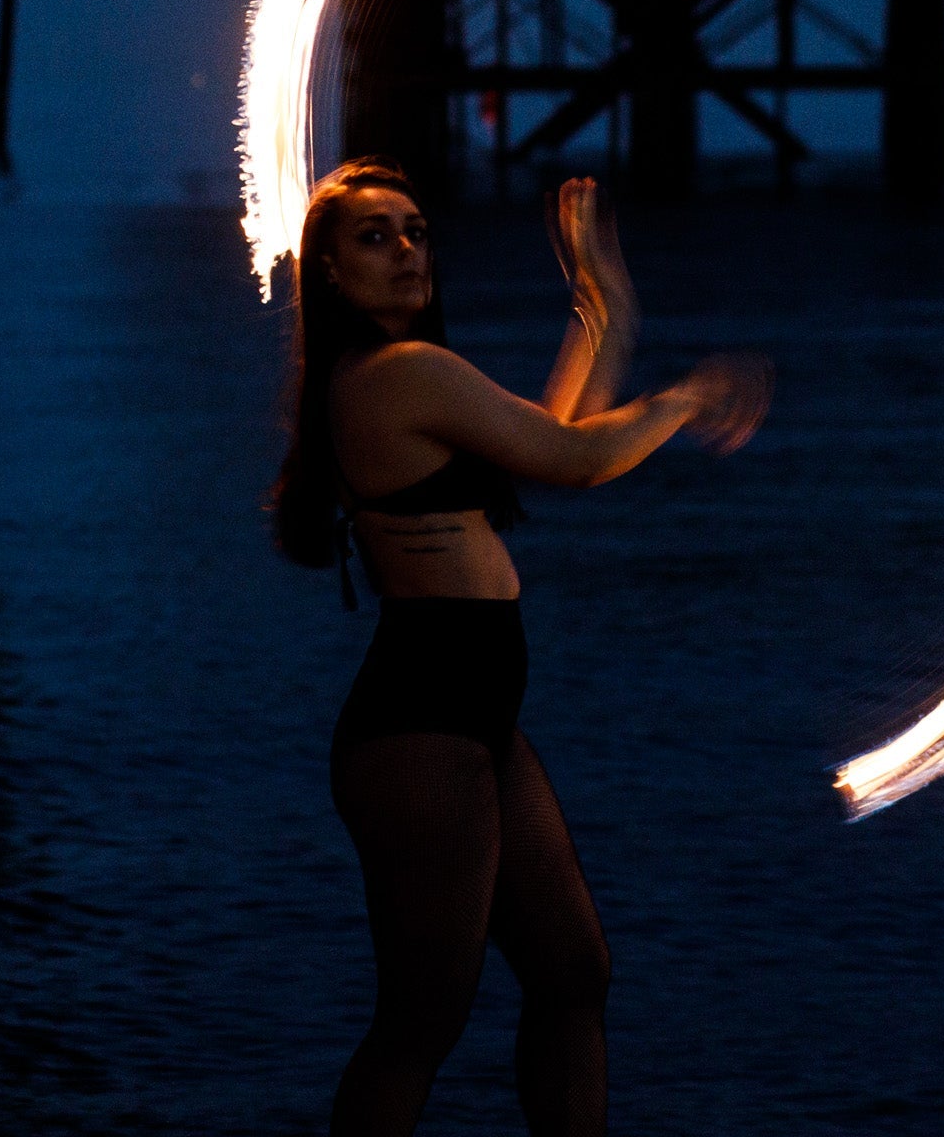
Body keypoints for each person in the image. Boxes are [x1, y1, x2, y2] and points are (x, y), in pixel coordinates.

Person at [270, 156, 770, 1137]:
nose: (407, 249)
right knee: (422, 1015)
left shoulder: (404, 374)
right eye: (374, 236)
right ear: (327, 271)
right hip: (420, 722)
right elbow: (579, 459)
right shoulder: (393, 373)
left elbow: (552, 432)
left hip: (475, 717)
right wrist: (685, 398)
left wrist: (598, 299)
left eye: (416, 229)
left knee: (572, 969)